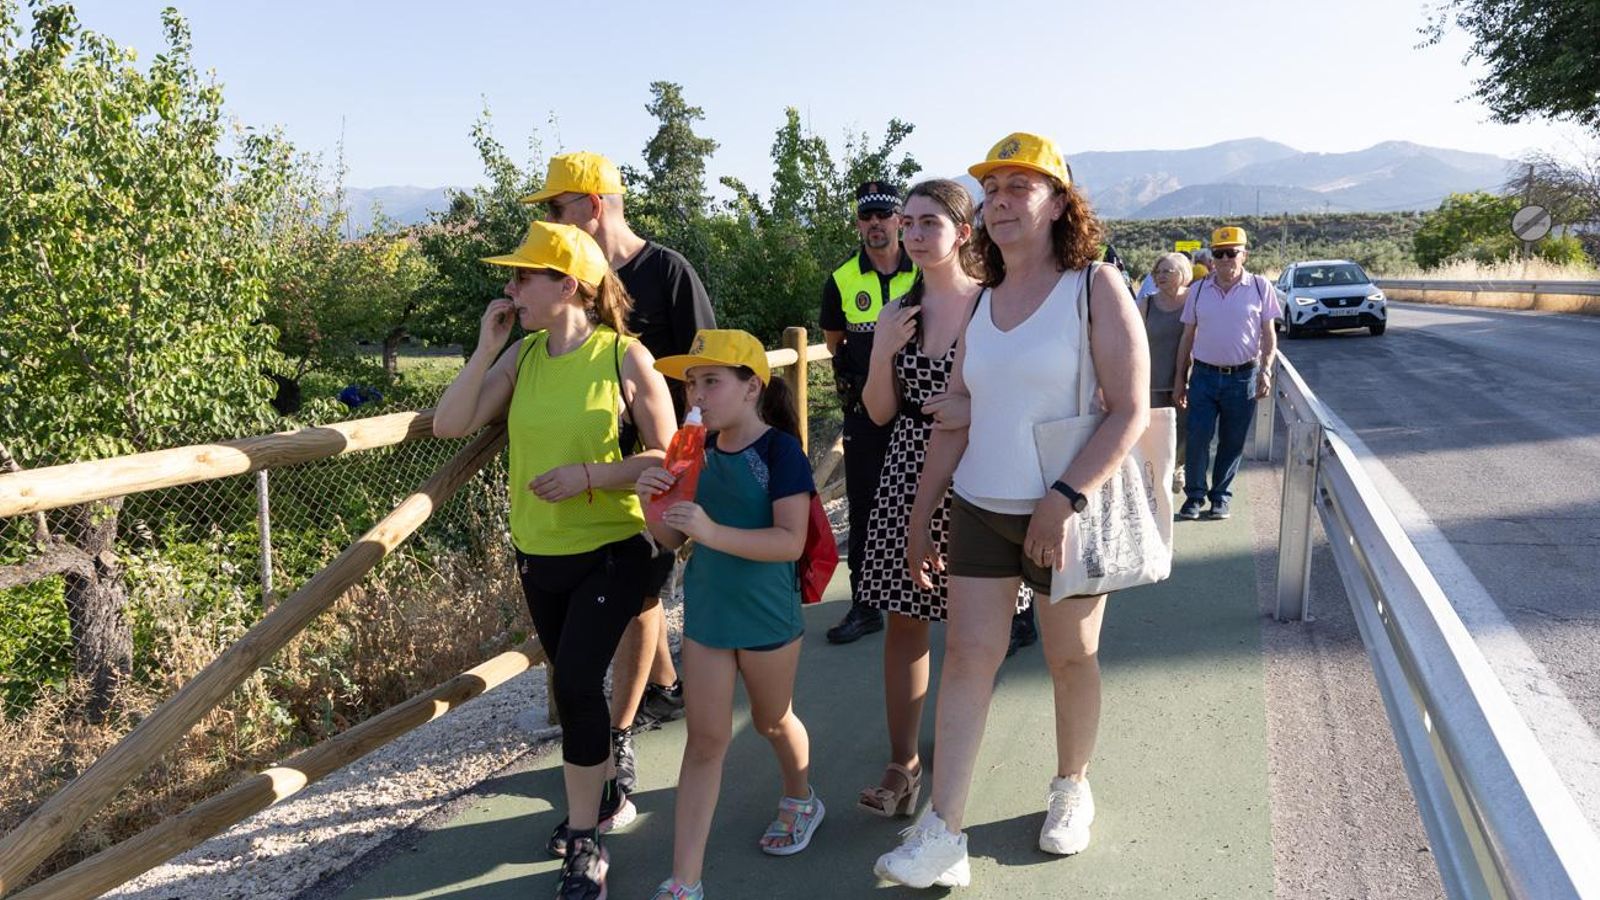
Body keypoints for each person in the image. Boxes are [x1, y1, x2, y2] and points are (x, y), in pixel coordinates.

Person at [875, 133, 1149, 889]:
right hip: (980, 506)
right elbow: (962, 413)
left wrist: (1066, 499)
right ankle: (942, 833)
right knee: (967, 659)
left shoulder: (1095, 286)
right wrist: (921, 511)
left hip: (1063, 512)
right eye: (990, 190)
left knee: (1071, 657)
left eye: (1018, 188)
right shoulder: (985, 301)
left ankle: (1071, 786)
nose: (999, 202)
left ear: (1059, 202)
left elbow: (1129, 410)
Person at [432, 221, 678, 900]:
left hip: (612, 547)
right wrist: (488, 349)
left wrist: (591, 476)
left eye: (522, 277)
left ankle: (585, 841)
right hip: (538, 553)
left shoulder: (625, 357)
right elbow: (451, 422)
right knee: (575, 695)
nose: (509, 288)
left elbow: (669, 457)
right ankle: (601, 795)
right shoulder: (525, 354)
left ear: (567, 284)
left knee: (573, 686)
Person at [527, 150, 717, 791]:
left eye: (557, 208)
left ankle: (619, 734)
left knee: (642, 599)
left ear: (594, 206)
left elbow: (707, 369)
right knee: (640, 602)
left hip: (659, 466)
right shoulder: (562, 279)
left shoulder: (667, 272)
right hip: (593, 474)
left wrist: (689, 469)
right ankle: (662, 685)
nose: (552, 220)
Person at [854, 179, 1034, 820]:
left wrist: (971, 406)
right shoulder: (898, 311)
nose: (914, 233)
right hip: (907, 470)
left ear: (963, 233)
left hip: (981, 471)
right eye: (908, 222)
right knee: (904, 622)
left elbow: (1018, 392)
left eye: (930, 222)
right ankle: (902, 766)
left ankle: (956, 751)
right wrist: (880, 352)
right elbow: (880, 413)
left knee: (971, 629)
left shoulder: (994, 306)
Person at [637, 330, 822, 900]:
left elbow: (790, 542)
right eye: (692, 382)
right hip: (710, 614)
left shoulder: (780, 452)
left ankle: (800, 798)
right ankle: (684, 881)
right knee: (705, 741)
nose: (697, 394)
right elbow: (668, 537)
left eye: (711, 381)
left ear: (751, 388)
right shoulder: (690, 448)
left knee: (772, 720)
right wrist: (650, 502)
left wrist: (712, 532)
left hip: (766, 614)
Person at [820, 180, 918, 645]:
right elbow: (835, 346)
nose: (875, 224)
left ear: (900, 220)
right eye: (866, 217)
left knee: (955, 501)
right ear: (858, 223)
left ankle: (994, 607)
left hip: (926, 410)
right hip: (866, 415)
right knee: (865, 507)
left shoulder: (926, 271)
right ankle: (865, 606)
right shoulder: (841, 280)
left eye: (884, 215)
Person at [1173, 226, 1279, 521]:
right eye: (1218, 254)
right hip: (1204, 376)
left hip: (1243, 377)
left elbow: (1268, 334)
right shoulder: (1197, 291)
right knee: (1197, 437)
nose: (1225, 259)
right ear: (1212, 257)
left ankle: (1220, 497)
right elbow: (1186, 337)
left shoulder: (1260, 287)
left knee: (1232, 441)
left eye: (1232, 253)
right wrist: (1179, 378)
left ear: (1244, 255)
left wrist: (1266, 370)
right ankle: (1194, 496)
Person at [1140, 251, 1193, 493]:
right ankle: (1157, 475)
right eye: (1157, 272)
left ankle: (1177, 468)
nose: (1160, 276)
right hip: (1151, 380)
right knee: (1153, 432)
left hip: (1187, 379)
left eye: (1167, 271)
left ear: (1183, 274)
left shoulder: (1194, 300)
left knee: (1182, 430)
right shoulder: (1146, 304)